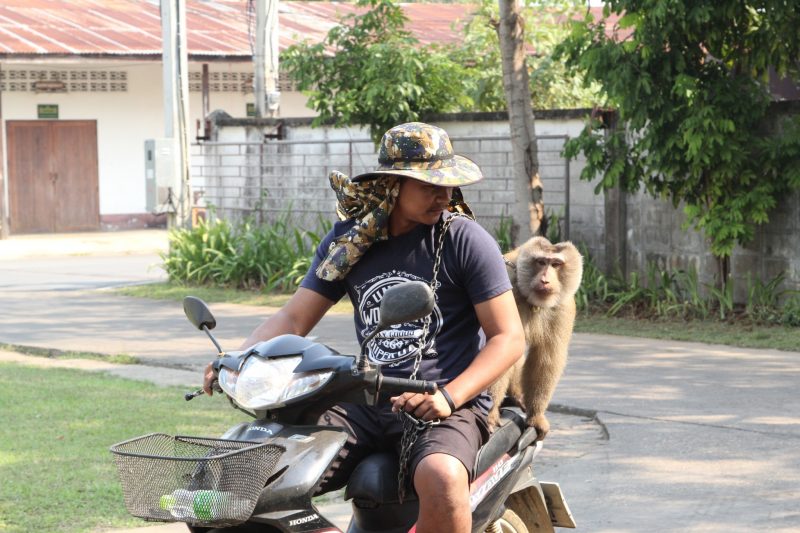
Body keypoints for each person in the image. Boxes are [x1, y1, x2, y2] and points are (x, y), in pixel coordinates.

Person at [203, 122, 525, 533]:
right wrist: (238, 358)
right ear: (392, 184)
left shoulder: (465, 239)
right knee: (259, 469)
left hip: (445, 404)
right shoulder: (351, 242)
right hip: (367, 402)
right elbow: (294, 318)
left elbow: (508, 337)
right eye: (429, 185)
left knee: (443, 477)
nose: (444, 196)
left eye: (448, 185)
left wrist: (449, 396)